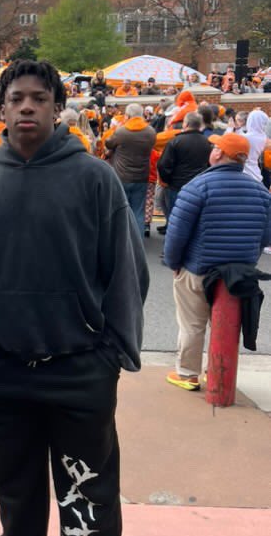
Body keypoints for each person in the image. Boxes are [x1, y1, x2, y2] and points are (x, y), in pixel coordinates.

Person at [0, 59, 148, 536]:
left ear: (58, 108)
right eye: (17, 98)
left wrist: (113, 352)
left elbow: (126, 273)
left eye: (40, 97)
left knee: (87, 491)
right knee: (14, 482)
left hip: (79, 365)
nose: (28, 107)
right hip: (1, 365)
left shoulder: (94, 177)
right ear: (1, 109)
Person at [163, 133, 271, 390]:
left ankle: (187, 374)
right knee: (226, 323)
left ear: (219, 154)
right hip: (238, 271)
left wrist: (173, 263)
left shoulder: (197, 187)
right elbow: (266, 234)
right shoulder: (260, 192)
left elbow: (177, 233)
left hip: (198, 267)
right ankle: (219, 372)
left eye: (215, 147)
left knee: (192, 323)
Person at [104, 103, 156, 233]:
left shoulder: (122, 131)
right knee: (138, 211)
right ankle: (137, 241)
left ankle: (123, 239)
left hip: (122, 176)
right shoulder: (150, 132)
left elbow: (108, 143)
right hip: (142, 176)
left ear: (127, 115)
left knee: (121, 211)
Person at [156, 112, 212, 216]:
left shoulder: (175, 141)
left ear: (185, 124)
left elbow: (163, 165)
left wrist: (167, 181)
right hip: (199, 185)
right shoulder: (207, 142)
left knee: (175, 217)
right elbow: (210, 165)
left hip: (176, 186)